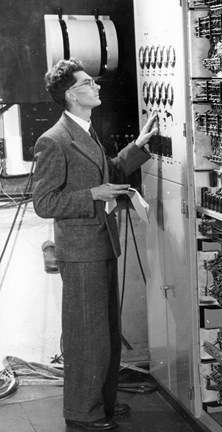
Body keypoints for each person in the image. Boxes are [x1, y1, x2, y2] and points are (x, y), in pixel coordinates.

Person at [32, 58, 158, 431]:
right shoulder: (53, 140)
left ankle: (101, 401)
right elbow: (45, 203)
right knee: (87, 334)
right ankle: (82, 412)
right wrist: (93, 193)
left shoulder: (86, 131)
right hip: (81, 250)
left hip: (100, 244)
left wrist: (138, 145)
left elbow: (112, 173)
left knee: (104, 333)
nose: (97, 87)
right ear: (72, 94)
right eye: (89, 83)